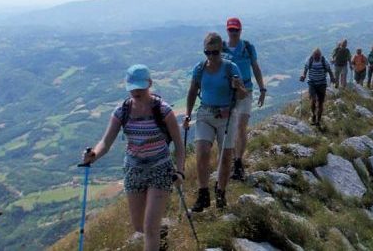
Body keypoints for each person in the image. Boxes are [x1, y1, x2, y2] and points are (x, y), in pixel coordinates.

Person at [81, 64, 186, 251]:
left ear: (150, 84)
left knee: (149, 227)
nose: (136, 91)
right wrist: (93, 155)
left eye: (140, 87)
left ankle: (156, 234)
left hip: (160, 169)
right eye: (133, 87)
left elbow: (179, 144)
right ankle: (161, 234)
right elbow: (106, 142)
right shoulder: (122, 112)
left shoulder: (163, 111)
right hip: (133, 170)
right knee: (139, 227)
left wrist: (179, 171)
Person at [183, 32, 246, 213]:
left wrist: (238, 86)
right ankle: (203, 194)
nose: (211, 56)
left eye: (214, 52)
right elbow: (192, 91)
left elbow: (242, 95)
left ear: (221, 50)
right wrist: (187, 114)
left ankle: (221, 192)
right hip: (205, 113)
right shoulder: (199, 68)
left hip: (227, 116)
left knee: (226, 157)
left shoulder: (230, 68)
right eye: (207, 52)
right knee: (202, 152)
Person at [222, 17, 266, 182]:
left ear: (240, 31)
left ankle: (238, 162)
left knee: (241, 126)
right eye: (231, 30)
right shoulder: (221, 48)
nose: (233, 33)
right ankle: (235, 161)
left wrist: (262, 88)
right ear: (227, 30)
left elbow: (255, 67)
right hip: (228, 94)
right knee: (232, 129)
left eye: (236, 30)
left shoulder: (248, 47)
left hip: (246, 91)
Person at [300, 48, 336, 126]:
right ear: (313, 55)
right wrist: (303, 75)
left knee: (320, 102)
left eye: (318, 56)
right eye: (315, 56)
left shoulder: (324, 60)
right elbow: (305, 69)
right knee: (313, 99)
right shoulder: (309, 60)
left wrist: (332, 77)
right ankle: (313, 115)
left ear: (320, 55)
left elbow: (329, 70)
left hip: (322, 83)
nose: (316, 57)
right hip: (312, 83)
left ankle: (318, 120)